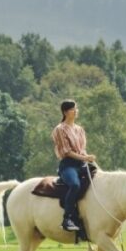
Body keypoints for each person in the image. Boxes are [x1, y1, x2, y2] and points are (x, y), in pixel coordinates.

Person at [51, 99, 96, 232]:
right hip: (68, 165)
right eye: (72, 109)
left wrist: (89, 159)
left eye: (76, 108)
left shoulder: (80, 129)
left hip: (82, 164)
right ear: (65, 112)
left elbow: (82, 149)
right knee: (75, 185)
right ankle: (67, 219)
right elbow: (67, 152)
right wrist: (85, 157)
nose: (76, 111)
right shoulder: (60, 129)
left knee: (100, 180)